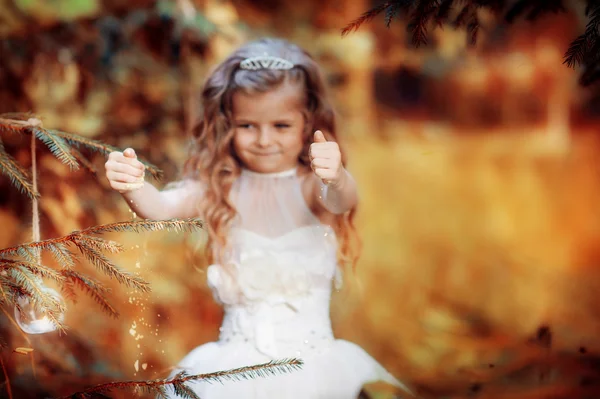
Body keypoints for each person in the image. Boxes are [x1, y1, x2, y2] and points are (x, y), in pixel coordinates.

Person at [104, 37, 410, 398]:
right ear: (226, 125)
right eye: (247, 125)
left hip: (314, 371)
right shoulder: (218, 188)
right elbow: (161, 207)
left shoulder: (314, 186)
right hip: (232, 376)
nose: (264, 140)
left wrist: (337, 175)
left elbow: (343, 199)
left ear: (306, 123)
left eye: (281, 126)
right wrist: (133, 186)